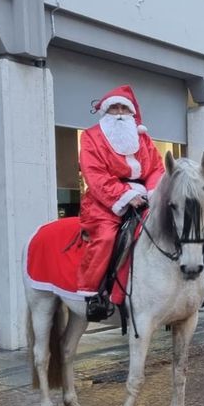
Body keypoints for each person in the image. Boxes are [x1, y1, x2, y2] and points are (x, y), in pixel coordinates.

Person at [77, 85, 165, 320]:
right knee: (106, 238)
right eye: (113, 108)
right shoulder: (90, 137)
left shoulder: (143, 138)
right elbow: (95, 174)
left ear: (131, 112)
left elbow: (156, 168)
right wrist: (125, 195)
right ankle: (94, 293)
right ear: (105, 112)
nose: (118, 113)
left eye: (123, 108)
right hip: (103, 202)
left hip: (144, 198)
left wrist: (153, 193)